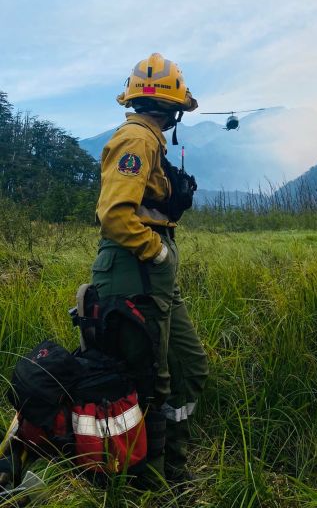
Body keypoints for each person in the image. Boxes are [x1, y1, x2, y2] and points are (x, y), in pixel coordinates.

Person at [90, 52, 208, 484]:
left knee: (189, 366)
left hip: (150, 271)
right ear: (173, 108)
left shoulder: (149, 140)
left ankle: (172, 462)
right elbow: (114, 214)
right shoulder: (137, 140)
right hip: (134, 267)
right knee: (149, 379)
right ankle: (151, 481)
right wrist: (156, 252)